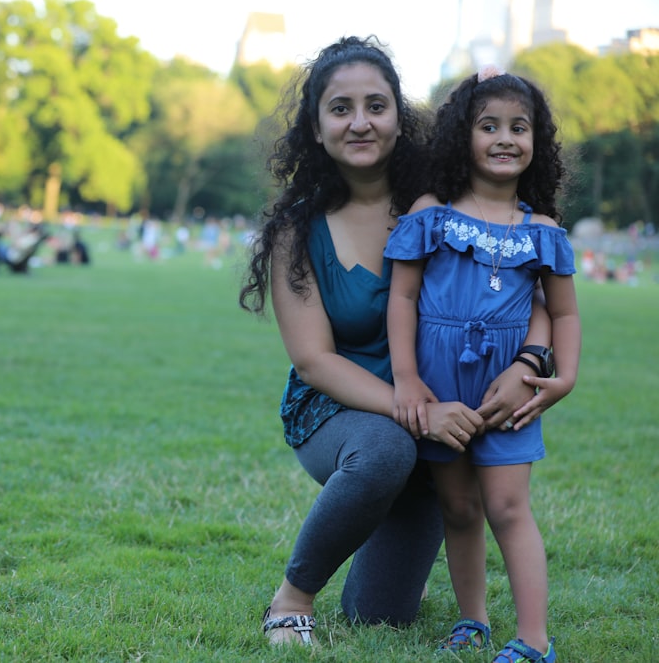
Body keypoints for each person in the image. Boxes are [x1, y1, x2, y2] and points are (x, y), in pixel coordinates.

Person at [238, 37, 555, 647]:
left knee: (378, 615)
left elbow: (535, 292)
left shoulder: (447, 206)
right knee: (385, 449)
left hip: (439, 429)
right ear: (316, 125)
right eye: (341, 108)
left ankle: (382, 518)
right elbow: (313, 359)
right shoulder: (295, 232)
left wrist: (530, 361)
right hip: (343, 413)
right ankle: (292, 597)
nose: (360, 122)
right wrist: (417, 411)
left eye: (376, 105)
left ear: (398, 117)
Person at [384, 67, 580, 663]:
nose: (504, 138)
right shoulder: (430, 215)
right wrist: (407, 378)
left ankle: (535, 640)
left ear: (536, 143)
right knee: (459, 507)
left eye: (519, 128)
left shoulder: (542, 232)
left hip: (510, 387)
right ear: (460, 137)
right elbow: (404, 298)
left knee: (507, 506)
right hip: (439, 379)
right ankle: (473, 621)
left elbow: (563, 315)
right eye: (488, 125)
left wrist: (563, 376)